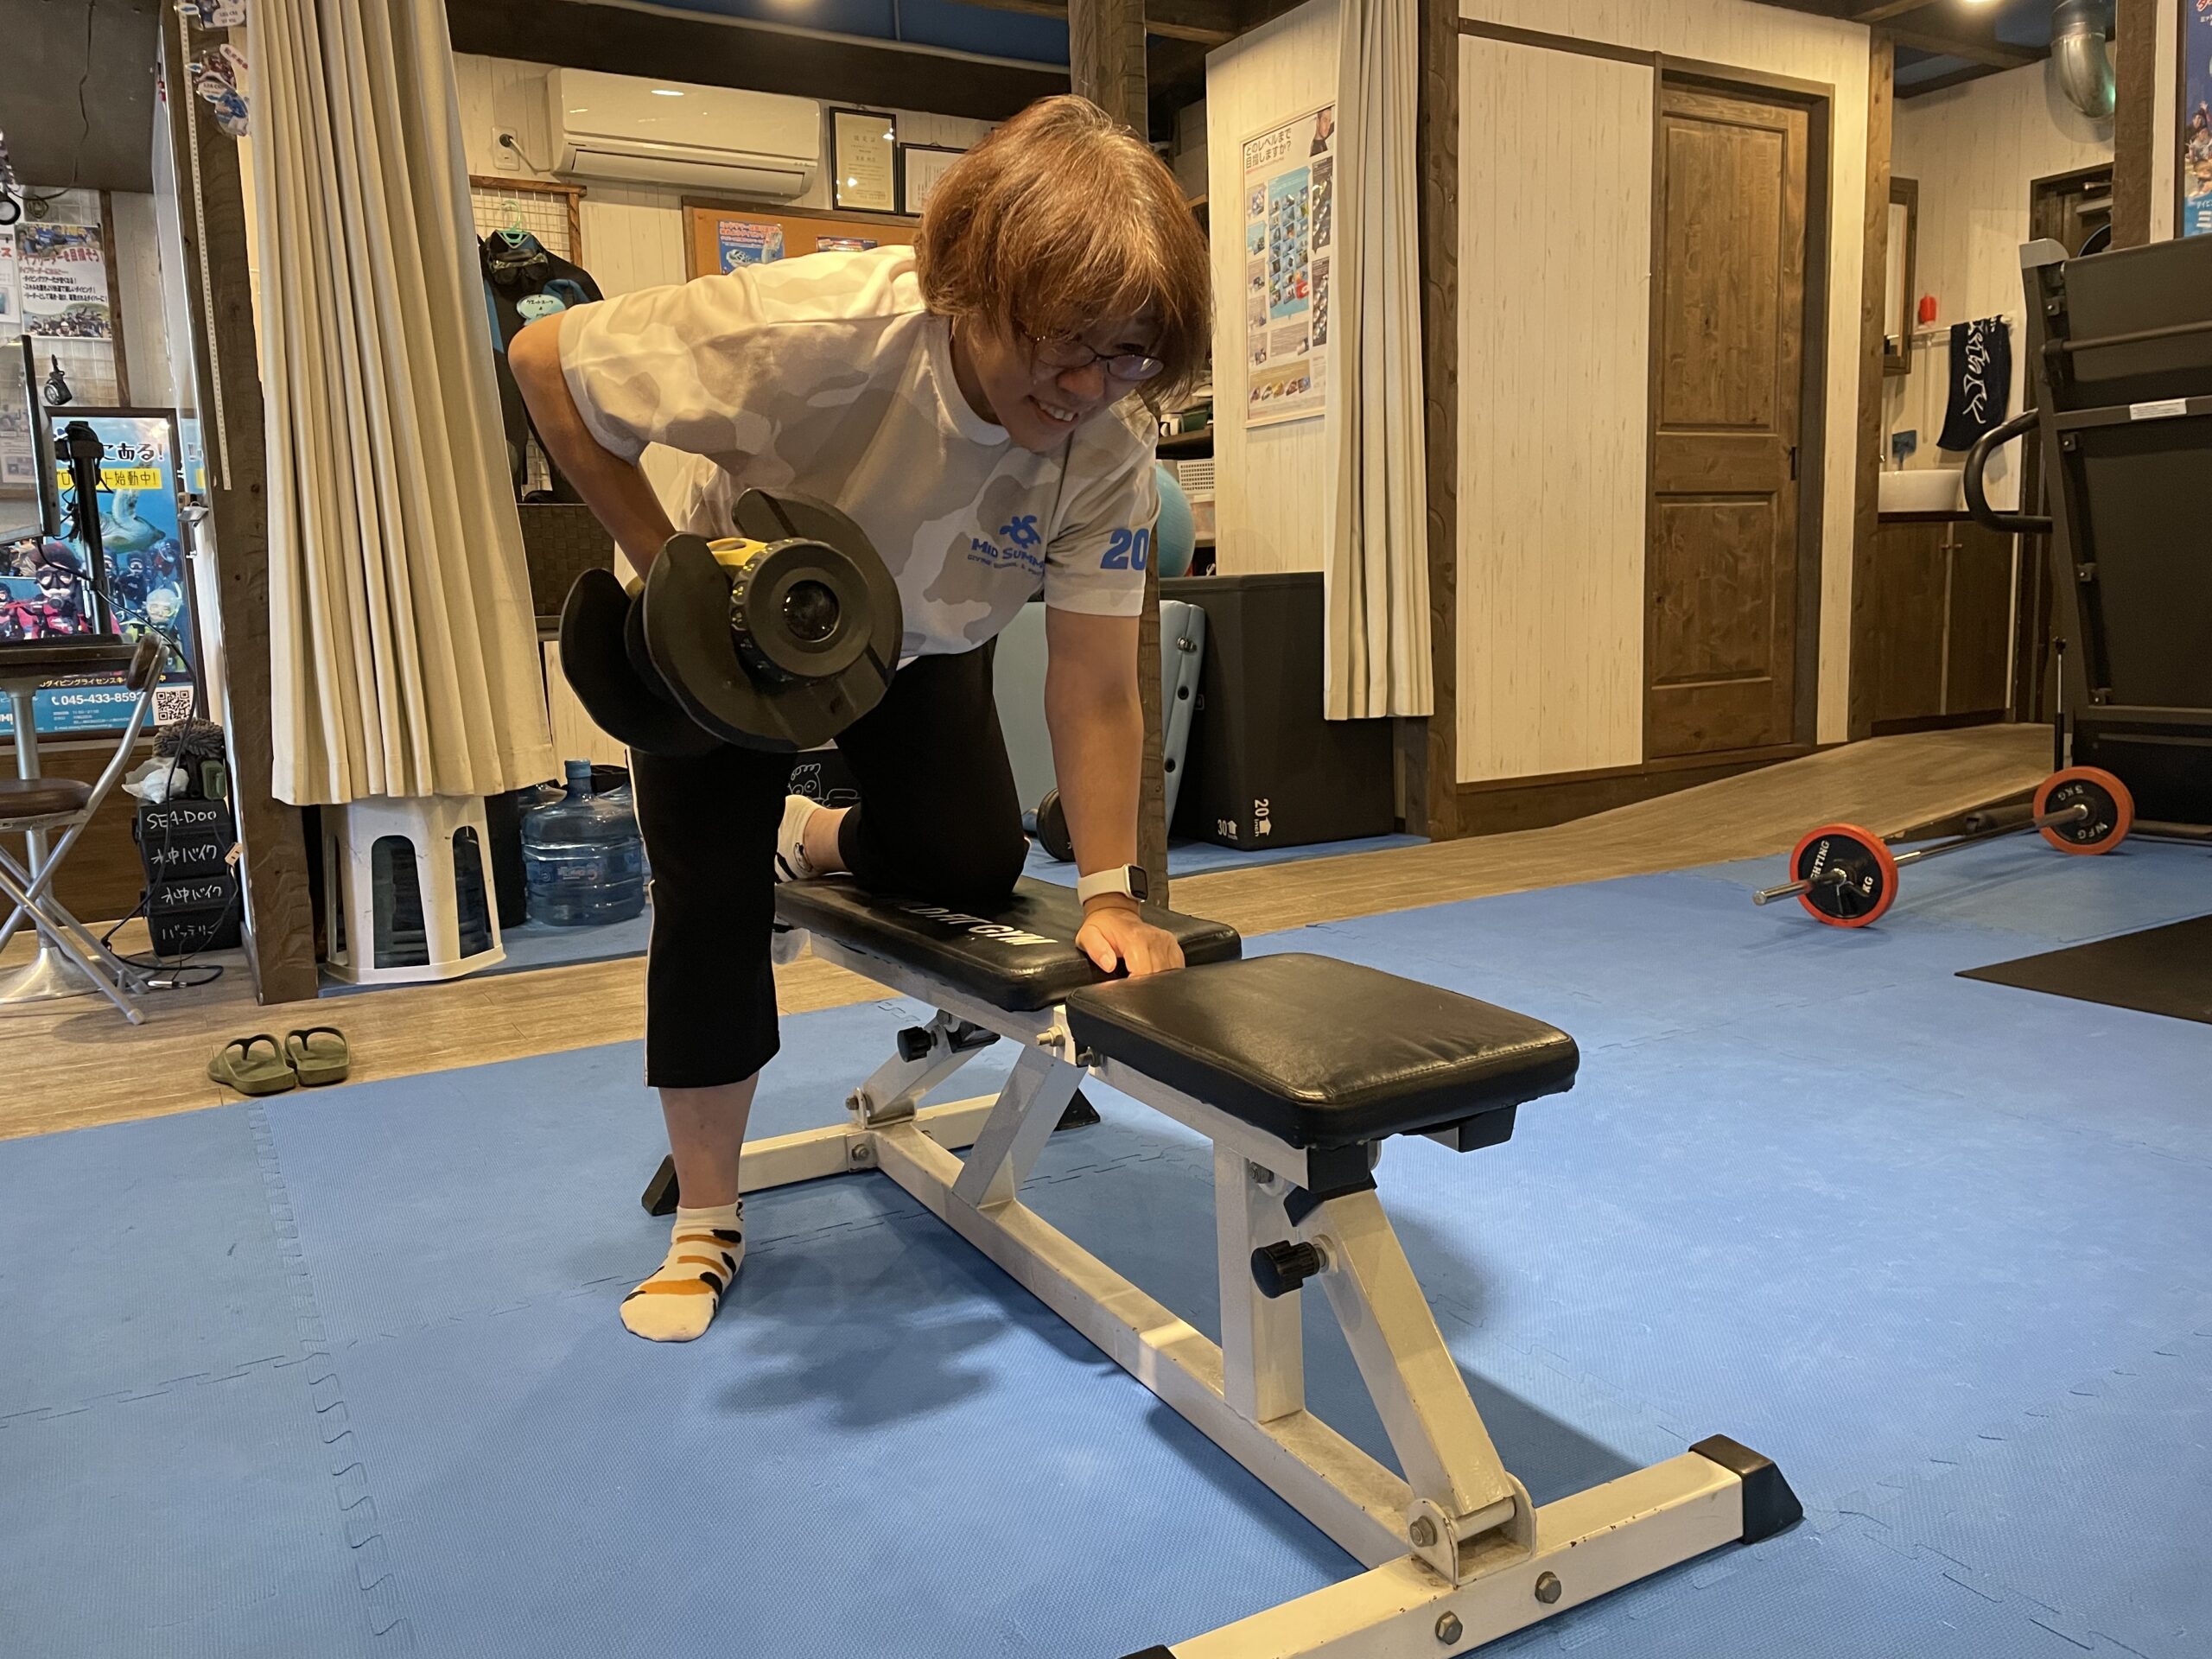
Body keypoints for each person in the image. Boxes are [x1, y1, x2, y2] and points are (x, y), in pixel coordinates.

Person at [511, 95, 1211, 1344]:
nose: (1088, 386)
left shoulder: (1108, 439)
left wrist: (1112, 895)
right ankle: (706, 1220)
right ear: (973, 286)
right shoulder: (808, 329)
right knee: (712, 898)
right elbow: (545, 361)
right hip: (732, 631)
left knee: (971, 865)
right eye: (1064, 344)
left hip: (920, 635)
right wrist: (673, 570)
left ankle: (813, 834)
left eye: (1127, 354)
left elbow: (1096, 681)